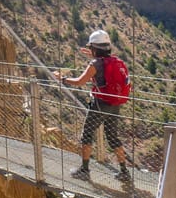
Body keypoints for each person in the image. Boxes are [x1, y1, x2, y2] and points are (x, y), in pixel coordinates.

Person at [53, 29, 131, 183]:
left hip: (100, 104)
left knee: (87, 134)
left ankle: (84, 170)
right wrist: (92, 55)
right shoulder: (114, 61)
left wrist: (62, 79)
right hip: (115, 104)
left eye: (91, 48)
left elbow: (80, 81)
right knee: (113, 137)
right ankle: (124, 171)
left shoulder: (95, 64)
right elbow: (102, 66)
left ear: (95, 48)